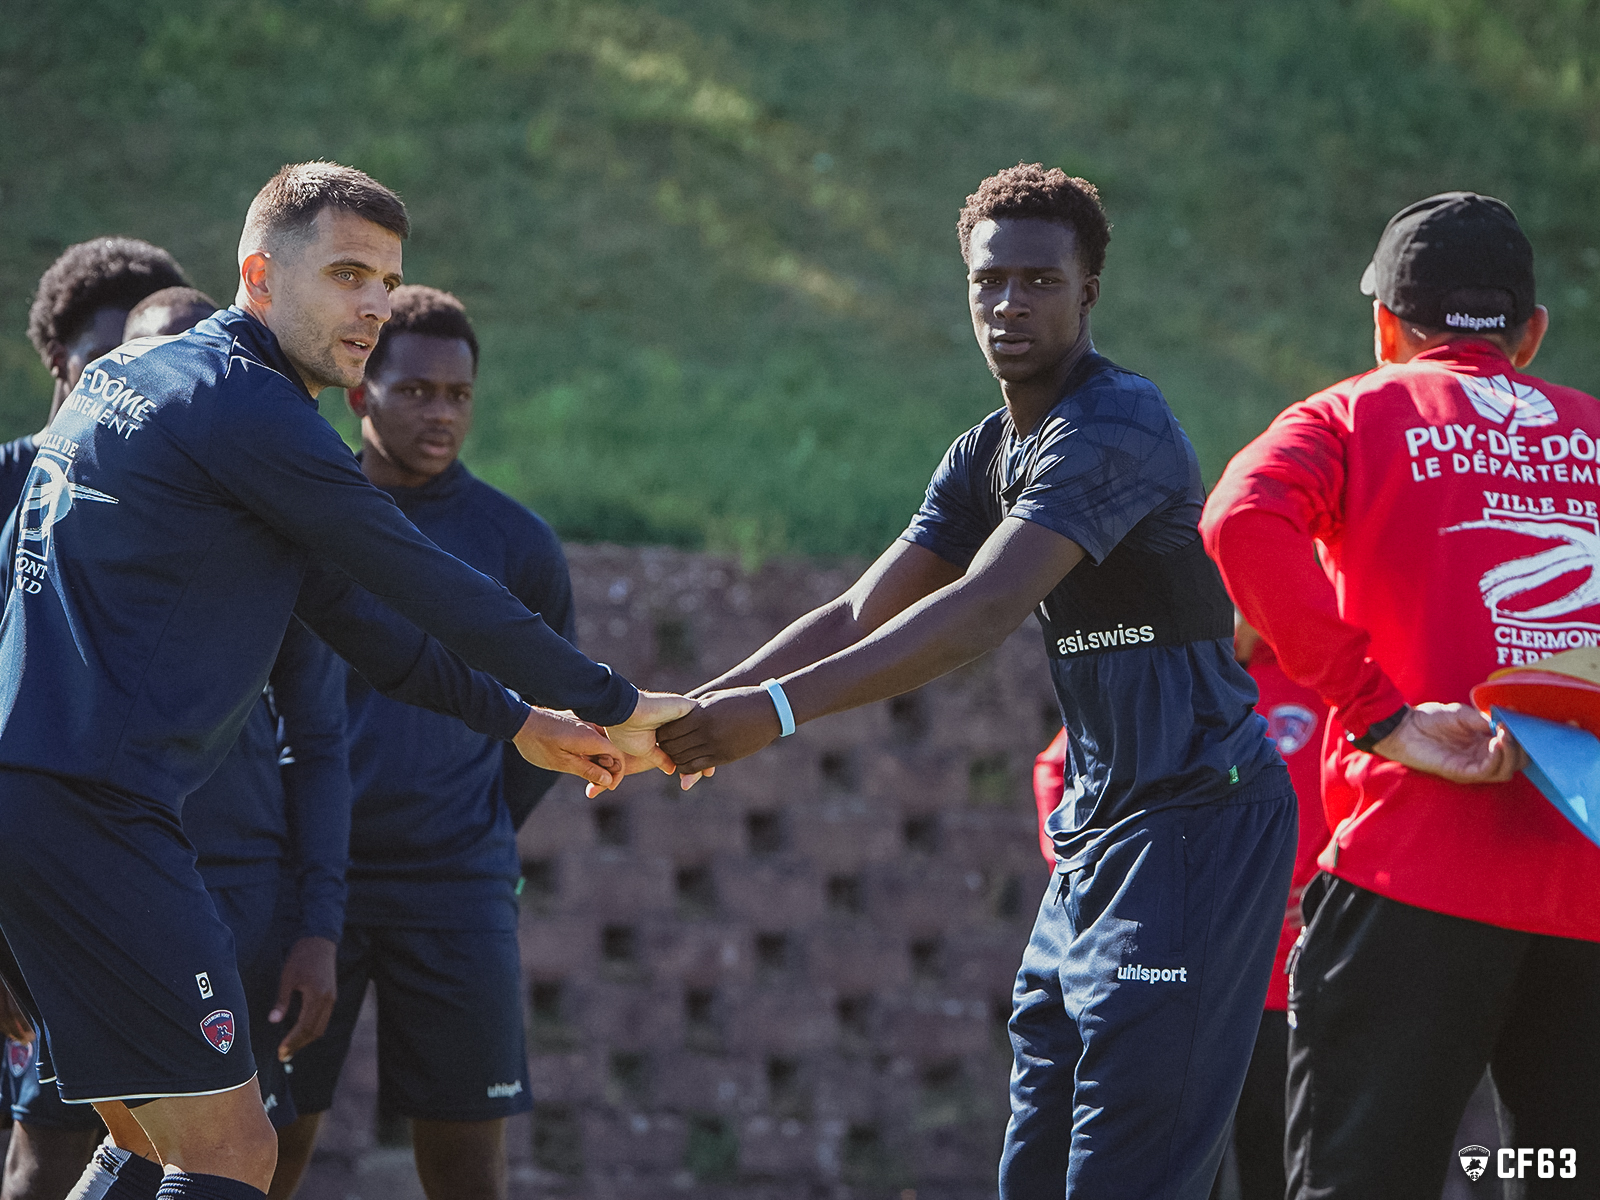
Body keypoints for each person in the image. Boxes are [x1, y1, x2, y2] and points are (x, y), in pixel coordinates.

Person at [0, 160, 687, 1200]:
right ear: (260, 276)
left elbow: (357, 618)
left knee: (148, 1139)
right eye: (346, 274)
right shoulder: (250, 411)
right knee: (234, 1152)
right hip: (96, 821)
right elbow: (422, 579)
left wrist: (517, 720)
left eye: (386, 278)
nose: (372, 305)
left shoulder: (140, 385)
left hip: (46, 807)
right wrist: (616, 701)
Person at [657, 163, 1297, 1200]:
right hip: (1096, 843)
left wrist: (771, 715)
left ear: (1087, 290)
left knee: (1126, 1174)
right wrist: (683, 718)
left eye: (1038, 280)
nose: (1008, 303)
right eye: (988, 281)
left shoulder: (1116, 427)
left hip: (1194, 825)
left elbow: (983, 609)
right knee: (1033, 1170)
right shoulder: (986, 451)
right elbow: (860, 611)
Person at [1200, 191, 1600, 1199]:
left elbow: (1242, 520)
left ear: (1386, 327)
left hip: (1412, 881)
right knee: (1557, 1173)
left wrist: (1374, 709)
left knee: (1365, 1180)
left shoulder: (1351, 412)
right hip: (1586, 896)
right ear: (1531, 332)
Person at [270, 286, 569, 1200]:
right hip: (304, 882)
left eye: (459, 395)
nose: (441, 414)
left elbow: (549, 717)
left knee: (468, 1173)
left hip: (456, 885)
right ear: (361, 395)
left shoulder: (517, 544)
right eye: (417, 392)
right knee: (263, 1151)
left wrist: (472, 813)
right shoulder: (304, 522)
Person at [0, 237, 191, 1200]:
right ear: (60, 365)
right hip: (23, 860)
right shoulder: (9, 492)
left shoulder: (174, 505)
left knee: (158, 1141)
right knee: (44, 1147)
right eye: (103, 366)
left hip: (128, 870)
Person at [1028, 618, 1331, 1200]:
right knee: (1185, 1168)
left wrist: (1331, 881)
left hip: (1291, 980)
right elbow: (1060, 766)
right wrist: (1094, 878)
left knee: (1288, 1165)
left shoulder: (1321, 666)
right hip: (1186, 978)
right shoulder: (1175, 667)